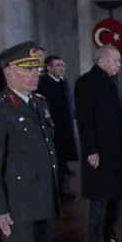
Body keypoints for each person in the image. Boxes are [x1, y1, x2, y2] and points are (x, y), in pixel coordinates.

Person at [0, 41, 73, 242]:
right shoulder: (4, 109)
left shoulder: (38, 103)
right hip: (17, 203)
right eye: (28, 69)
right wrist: (0, 209)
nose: (35, 75)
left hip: (42, 198)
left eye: (38, 69)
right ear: (9, 73)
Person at [75, 45, 122, 242]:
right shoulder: (86, 83)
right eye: (115, 60)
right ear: (102, 60)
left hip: (114, 150)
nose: (119, 64)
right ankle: (96, 241)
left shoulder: (110, 80)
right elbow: (85, 120)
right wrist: (91, 150)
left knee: (114, 196)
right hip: (98, 151)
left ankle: (109, 237)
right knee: (99, 197)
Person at [36, 55, 78, 199]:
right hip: (53, 130)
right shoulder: (44, 84)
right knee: (56, 162)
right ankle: (57, 192)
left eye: (63, 65)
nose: (61, 68)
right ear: (49, 67)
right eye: (58, 65)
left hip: (65, 128)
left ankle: (61, 190)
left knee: (62, 161)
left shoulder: (63, 81)